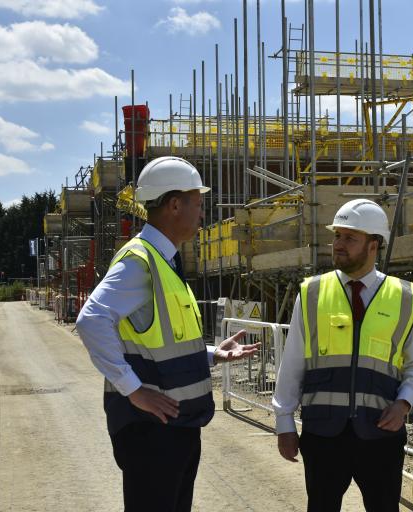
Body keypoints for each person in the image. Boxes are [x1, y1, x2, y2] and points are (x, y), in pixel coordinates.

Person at [76, 156, 259, 512]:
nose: (203, 213)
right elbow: (91, 319)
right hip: (152, 431)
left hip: (176, 428)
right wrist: (133, 390)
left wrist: (212, 354)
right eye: (199, 203)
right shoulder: (140, 261)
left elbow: (162, 343)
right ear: (175, 205)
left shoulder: (164, 261)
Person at [272, 199, 413, 512]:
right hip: (323, 434)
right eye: (337, 236)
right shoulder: (313, 292)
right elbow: (292, 364)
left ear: (374, 245)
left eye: (349, 238)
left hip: (380, 434)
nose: (338, 245)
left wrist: (403, 404)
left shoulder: (402, 297)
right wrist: (284, 423)